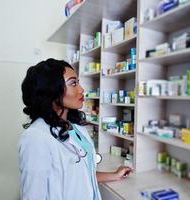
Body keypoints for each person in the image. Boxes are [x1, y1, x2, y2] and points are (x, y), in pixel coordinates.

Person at [19, 58, 132, 200]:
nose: (81, 89)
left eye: (78, 82)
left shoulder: (76, 128)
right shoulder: (36, 137)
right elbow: (33, 196)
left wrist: (114, 175)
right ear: (51, 91)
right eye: (73, 83)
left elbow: (84, 174)